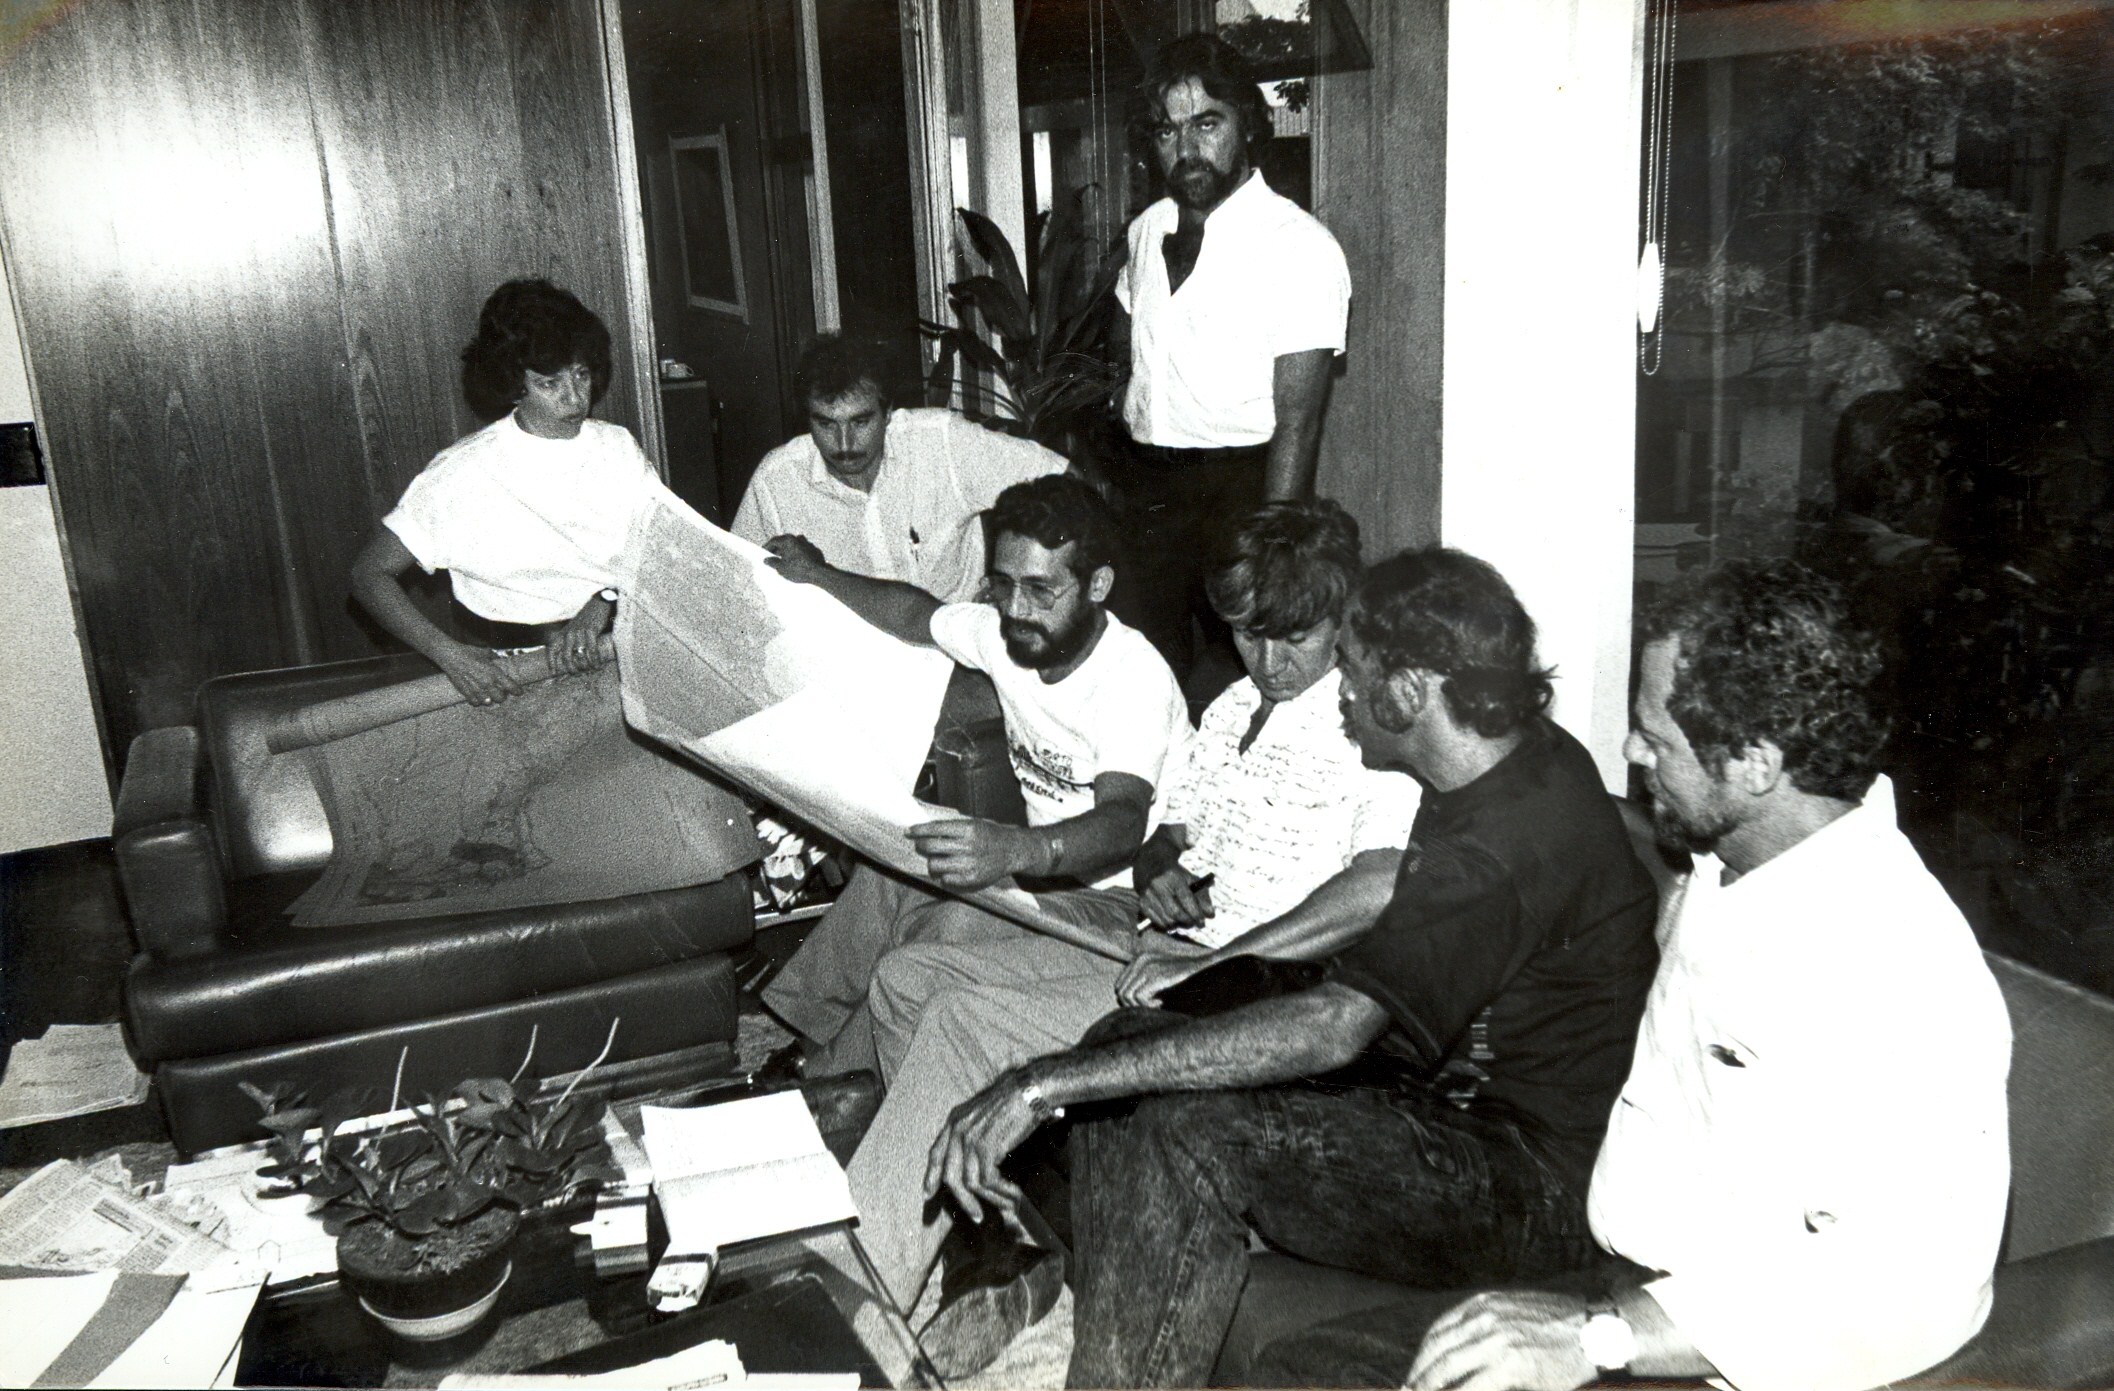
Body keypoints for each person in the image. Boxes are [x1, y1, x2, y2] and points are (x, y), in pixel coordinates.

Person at [1254, 560, 2013, 1391]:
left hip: (1716, 1348)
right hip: (1614, 1282)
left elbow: (1913, 1288)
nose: (1631, 748)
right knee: (1306, 1369)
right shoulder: (1731, 862)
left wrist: (1600, 1339)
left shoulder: (1893, 961)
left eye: (1657, 737)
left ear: (1755, 763)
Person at [925, 548, 1661, 1388]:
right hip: (1432, 1100)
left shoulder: (1508, 839)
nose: (1339, 691)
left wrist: (1038, 1083)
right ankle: (1033, 1267)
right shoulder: (1502, 762)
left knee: (1186, 1129)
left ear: (1407, 692)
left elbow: (1339, 1025)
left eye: (1352, 669)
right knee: (1131, 1036)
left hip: (1525, 1181)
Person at [838, 499, 1422, 1328]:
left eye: (1294, 637)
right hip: (1154, 940)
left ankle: (850, 1303)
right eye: (1248, 634)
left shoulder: (1369, 725)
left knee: (961, 1020)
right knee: (907, 977)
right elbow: (1167, 831)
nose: (1269, 660)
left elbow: (1378, 884)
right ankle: (985, 1234)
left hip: (1241, 983)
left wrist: (1214, 961)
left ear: (1343, 618)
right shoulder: (1232, 707)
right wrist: (1161, 868)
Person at [758, 473, 1192, 1081]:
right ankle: (809, 1039)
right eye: (1003, 584)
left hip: (1116, 902)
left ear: (1098, 585)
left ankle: (828, 1081)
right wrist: (818, 574)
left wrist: (1013, 849)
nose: (1015, 609)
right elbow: (917, 615)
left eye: (1040, 590)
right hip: (1043, 872)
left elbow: (1123, 822)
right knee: (897, 864)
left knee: (945, 930)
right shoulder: (1007, 633)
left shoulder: (1131, 678)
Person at [1108, 34, 1351, 677]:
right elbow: (1127, 340)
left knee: (1244, 677)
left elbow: (1300, 422)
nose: (1186, 149)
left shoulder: (1298, 246)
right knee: (1146, 675)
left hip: (1241, 492)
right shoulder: (1146, 230)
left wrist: (1273, 548)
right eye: (1167, 130)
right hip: (1148, 489)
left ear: (1247, 123)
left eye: (1206, 123)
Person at [351, 279, 663, 705]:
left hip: (615, 650)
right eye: (550, 383)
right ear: (515, 385)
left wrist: (602, 602)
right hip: (511, 674)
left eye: (581, 374)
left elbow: (664, 549)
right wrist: (450, 656)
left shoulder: (617, 447)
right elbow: (369, 575)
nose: (574, 399)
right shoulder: (463, 470)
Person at [732, 334, 1067, 605]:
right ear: (807, 418)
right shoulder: (777, 479)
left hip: (952, 651)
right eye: (826, 424)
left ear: (888, 411)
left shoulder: (941, 440)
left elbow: (1066, 484)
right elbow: (735, 586)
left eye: (860, 422)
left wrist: (1014, 577)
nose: (844, 443)